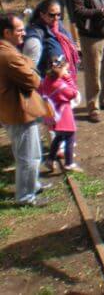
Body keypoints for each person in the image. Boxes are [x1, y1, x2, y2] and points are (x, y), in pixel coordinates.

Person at [0, 13, 52, 206]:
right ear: (7, 32)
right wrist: (32, 70)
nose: (24, 33)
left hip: (17, 109)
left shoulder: (8, 50)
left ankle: (33, 185)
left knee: (33, 152)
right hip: (19, 111)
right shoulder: (8, 55)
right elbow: (33, 79)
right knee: (27, 157)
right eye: (19, 30)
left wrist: (27, 65)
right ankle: (25, 197)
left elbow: (27, 66)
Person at [40, 55, 82, 173]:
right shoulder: (61, 86)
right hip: (63, 116)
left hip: (53, 114)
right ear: (60, 70)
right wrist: (69, 79)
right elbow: (73, 93)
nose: (67, 72)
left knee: (58, 137)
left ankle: (50, 159)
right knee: (70, 137)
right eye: (65, 70)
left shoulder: (47, 80)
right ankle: (69, 163)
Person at [23, 0, 79, 79]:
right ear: (42, 15)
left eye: (59, 14)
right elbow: (30, 69)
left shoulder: (58, 26)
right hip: (50, 83)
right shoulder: (35, 35)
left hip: (67, 78)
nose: (56, 18)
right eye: (52, 15)